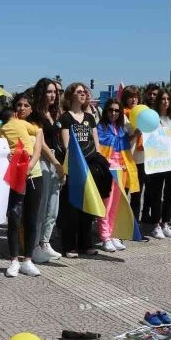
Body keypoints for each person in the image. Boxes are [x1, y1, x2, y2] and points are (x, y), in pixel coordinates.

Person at [58, 82, 109, 258]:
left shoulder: (90, 117)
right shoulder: (65, 118)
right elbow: (66, 146)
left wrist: (98, 162)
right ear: (71, 95)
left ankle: (86, 243)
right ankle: (69, 245)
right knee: (71, 208)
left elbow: (96, 143)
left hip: (91, 167)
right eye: (79, 92)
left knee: (88, 207)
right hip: (74, 167)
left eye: (85, 92)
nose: (83, 94)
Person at [0, 92, 44, 277]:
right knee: (14, 218)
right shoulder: (4, 126)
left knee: (31, 219)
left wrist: (30, 165)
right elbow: (0, 149)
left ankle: (28, 260)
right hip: (14, 178)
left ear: (31, 108)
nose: (22, 108)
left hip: (34, 176)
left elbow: (39, 150)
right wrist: (6, 155)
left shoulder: (35, 127)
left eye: (26, 105)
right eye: (19, 105)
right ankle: (14, 260)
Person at [30, 78, 65, 264]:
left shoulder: (55, 113)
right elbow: (40, 142)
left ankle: (45, 242)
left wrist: (61, 164)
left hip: (56, 160)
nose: (52, 95)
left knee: (54, 205)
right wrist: (55, 162)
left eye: (55, 92)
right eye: (49, 92)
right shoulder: (35, 115)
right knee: (41, 206)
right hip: (43, 161)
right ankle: (34, 246)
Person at [144, 89, 171, 239]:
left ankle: (166, 223)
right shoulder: (152, 117)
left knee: (169, 194)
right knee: (156, 194)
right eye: (162, 99)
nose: (165, 101)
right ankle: (156, 225)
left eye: (167, 99)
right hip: (157, 161)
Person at [96, 99, 130, 252]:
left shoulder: (121, 130)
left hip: (120, 171)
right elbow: (100, 149)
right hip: (107, 171)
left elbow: (125, 149)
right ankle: (105, 237)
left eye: (117, 110)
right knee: (105, 205)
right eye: (111, 110)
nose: (114, 113)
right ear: (106, 111)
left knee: (116, 205)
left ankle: (113, 233)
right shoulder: (100, 128)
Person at [121, 86, 147, 229]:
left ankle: (134, 222)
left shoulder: (143, 114)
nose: (134, 99)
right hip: (126, 158)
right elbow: (121, 139)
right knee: (124, 192)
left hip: (141, 158)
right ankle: (122, 222)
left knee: (137, 192)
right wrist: (134, 134)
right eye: (131, 96)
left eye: (136, 96)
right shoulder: (122, 115)